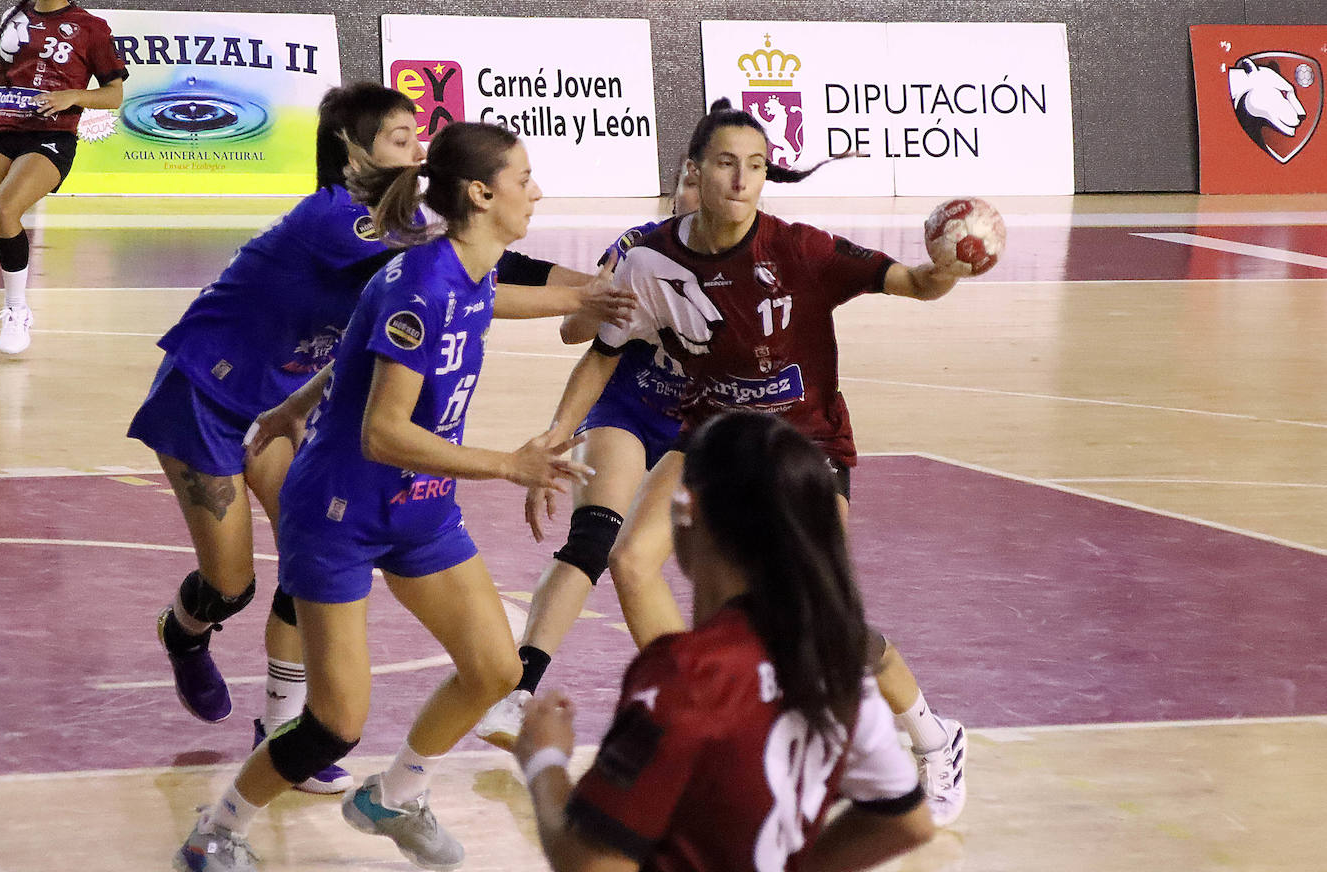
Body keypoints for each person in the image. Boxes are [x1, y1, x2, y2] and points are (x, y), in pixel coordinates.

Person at [129, 83, 633, 794]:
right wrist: (589, 293)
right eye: (402, 137)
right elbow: (476, 281)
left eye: (420, 137)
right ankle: (184, 630)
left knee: (307, 561)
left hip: (281, 401)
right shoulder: (341, 221)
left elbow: (486, 272)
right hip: (202, 397)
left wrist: (600, 289)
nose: (420, 151)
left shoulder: (407, 222)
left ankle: (280, 724)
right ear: (351, 148)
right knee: (232, 582)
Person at [528, 99, 977, 827]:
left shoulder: (802, 249)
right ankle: (697, 722)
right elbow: (600, 352)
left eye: (757, 167)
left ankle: (934, 734)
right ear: (695, 172)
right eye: (727, 164)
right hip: (714, 440)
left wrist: (947, 266)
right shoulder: (651, 261)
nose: (742, 180)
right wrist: (557, 434)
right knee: (633, 562)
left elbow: (918, 284)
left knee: (815, 617)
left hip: (805, 448)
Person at [514, 411, 935, 872]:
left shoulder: (686, 673)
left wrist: (544, 761)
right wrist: (765, 869)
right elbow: (908, 822)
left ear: (685, 510)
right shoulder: (837, 664)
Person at [474, 163, 700, 749]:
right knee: (594, 539)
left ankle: (704, 700)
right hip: (629, 402)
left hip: (702, 419)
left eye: (712, 178)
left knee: (691, 559)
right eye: (688, 180)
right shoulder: (639, 246)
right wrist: (608, 304)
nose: (695, 194)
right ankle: (517, 693)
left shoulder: (759, 261)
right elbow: (574, 333)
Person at [0, 0, 127, 359]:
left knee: (4, 210)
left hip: (52, 135)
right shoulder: (14, 17)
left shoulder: (90, 27)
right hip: (4, 126)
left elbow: (114, 94)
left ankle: (17, 311)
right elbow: (2, 75)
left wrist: (73, 96)